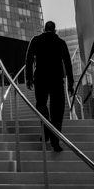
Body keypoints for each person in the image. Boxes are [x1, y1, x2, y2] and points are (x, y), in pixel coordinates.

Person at [25, 21, 74, 152]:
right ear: (55, 30)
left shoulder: (36, 40)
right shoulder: (61, 43)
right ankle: (55, 141)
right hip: (56, 80)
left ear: (44, 29)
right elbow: (68, 64)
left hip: (40, 79)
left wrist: (28, 78)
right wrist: (71, 84)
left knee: (41, 105)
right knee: (57, 112)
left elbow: (29, 59)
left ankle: (46, 129)